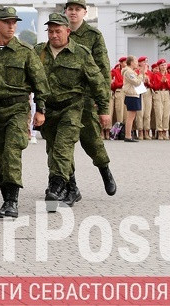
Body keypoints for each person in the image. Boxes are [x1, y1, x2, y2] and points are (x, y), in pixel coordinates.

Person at [34, 13, 112, 210]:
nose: (53, 35)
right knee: (53, 149)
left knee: (65, 146)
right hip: (49, 110)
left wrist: (104, 110)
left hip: (73, 107)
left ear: (68, 31)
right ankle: (71, 187)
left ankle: (56, 185)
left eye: (58, 31)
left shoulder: (81, 53)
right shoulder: (38, 53)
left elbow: (98, 83)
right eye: (50, 31)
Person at [0, 7, 49, 218]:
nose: (11, 26)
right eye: (6, 22)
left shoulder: (25, 51)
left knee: (11, 152)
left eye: (14, 22)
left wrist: (41, 110)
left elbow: (40, 83)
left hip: (17, 109)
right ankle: (5, 195)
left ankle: (12, 201)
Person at [64, 0, 116, 199]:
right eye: (70, 9)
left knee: (92, 141)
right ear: (65, 12)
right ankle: (71, 187)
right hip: (64, 99)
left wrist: (102, 102)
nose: (73, 12)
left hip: (86, 99)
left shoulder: (93, 35)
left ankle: (105, 171)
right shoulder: (60, 32)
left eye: (78, 9)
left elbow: (103, 69)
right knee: (62, 145)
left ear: (85, 13)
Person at [122, 55, 144, 142]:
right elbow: (137, 82)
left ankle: (129, 135)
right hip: (131, 95)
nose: (137, 63)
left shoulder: (132, 71)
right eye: (135, 61)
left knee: (132, 116)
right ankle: (127, 136)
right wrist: (141, 74)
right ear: (131, 62)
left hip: (135, 94)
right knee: (130, 116)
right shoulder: (128, 72)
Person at [150, 59, 170, 140]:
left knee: (166, 113)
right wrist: (161, 82)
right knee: (159, 113)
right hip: (158, 93)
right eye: (162, 65)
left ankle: (165, 131)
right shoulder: (156, 75)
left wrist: (166, 82)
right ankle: (159, 131)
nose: (164, 67)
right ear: (159, 66)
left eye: (165, 65)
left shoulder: (169, 75)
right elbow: (155, 87)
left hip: (166, 93)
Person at [110, 57, 127, 137]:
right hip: (119, 91)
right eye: (124, 62)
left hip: (126, 92)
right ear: (121, 63)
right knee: (119, 113)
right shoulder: (115, 71)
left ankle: (124, 132)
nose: (126, 64)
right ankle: (116, 133)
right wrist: (123, 83)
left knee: (125, 114)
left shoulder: (128, 71)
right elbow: (116, 84)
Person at [136, 56, 153, 139]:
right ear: (140, 63)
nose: (146, 63)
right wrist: (142, 75)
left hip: (147, 91)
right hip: (139, 91)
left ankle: (146, 131)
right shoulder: (136, 71)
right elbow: (136, 82)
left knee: (147, 112)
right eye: (144, 62)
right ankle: (140, 131)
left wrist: (149, 82)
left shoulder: (150, 72)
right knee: (140, 113)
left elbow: (153, 85)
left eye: (146, 62)